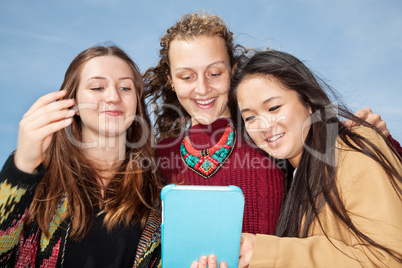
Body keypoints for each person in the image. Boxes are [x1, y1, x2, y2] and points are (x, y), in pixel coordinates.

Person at [228, 50, 402, 267]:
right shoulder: (290, 181)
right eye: (250, 117)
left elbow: (390, 260)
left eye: (274, 107)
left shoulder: (351, 150)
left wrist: (267, 252)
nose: (263, 125)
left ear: (308, 102)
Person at [0, 45, 162, 267]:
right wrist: (21, 169)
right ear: (72, 101)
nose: (113, 97)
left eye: (125, 88)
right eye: (97, 87)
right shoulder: (35, 179)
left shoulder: (160, 192)